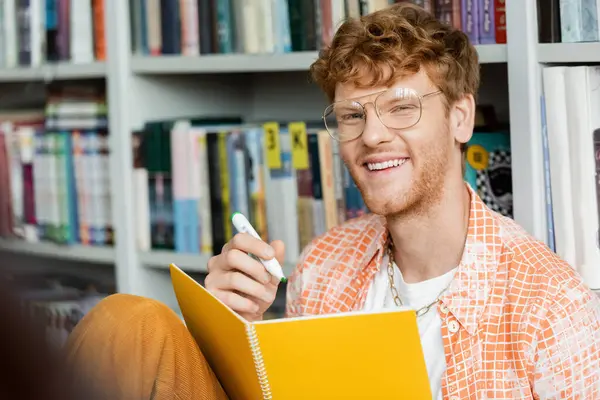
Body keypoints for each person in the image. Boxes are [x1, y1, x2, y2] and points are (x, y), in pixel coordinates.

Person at [65, 3, 600, 399]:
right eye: (352, 115)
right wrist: (226, 333)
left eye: (401, 108)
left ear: (460, 117)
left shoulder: (549, 304)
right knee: (128, 322)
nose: (372, 136)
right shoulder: (323, 265)